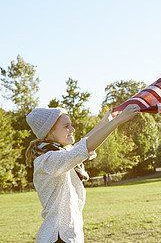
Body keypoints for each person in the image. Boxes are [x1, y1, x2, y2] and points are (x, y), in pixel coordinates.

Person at [25, 104, 141, 243]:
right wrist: (118, 121)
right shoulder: (47, 161)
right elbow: (82, 149)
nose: (72, 129)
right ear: (49, 132)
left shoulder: (60, 154)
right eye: (66, 126)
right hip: (58, 237)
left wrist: (105, 121)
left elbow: (81, 145)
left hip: (67, 236)